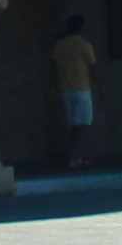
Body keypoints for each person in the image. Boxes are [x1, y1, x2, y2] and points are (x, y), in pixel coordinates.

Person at [49, 15, 99, 164]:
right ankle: (75, 156)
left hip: (65, 89)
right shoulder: (84, 44)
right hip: (82, 89)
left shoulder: (60, 45)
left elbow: (53, 67)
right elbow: (93, 67)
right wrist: (98, 86)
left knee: (73, 125)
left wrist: (54, 86)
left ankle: (75, 155)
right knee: (82, 124)